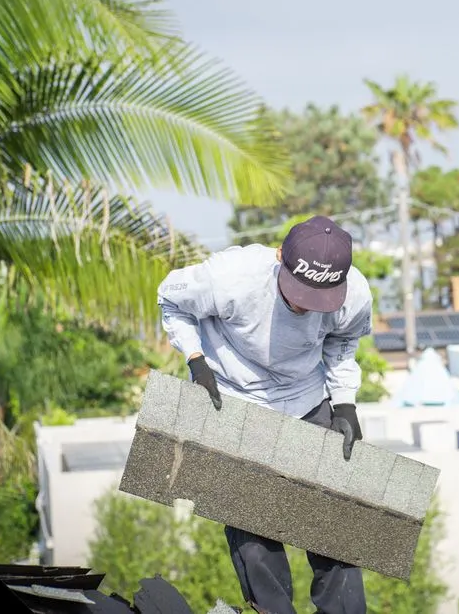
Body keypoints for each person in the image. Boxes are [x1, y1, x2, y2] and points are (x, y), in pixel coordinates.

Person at [156, 214, 373, 614]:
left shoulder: (355, 294)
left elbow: (343, 341)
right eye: (298, 293)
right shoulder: (230, 276)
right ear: (279, 258)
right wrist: (195, 360)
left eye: (317, 299)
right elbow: (171, 301)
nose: (305, 306)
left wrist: (344, 402)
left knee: (337, 534)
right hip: (235, 403)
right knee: (255, 541)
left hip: (306, 401)